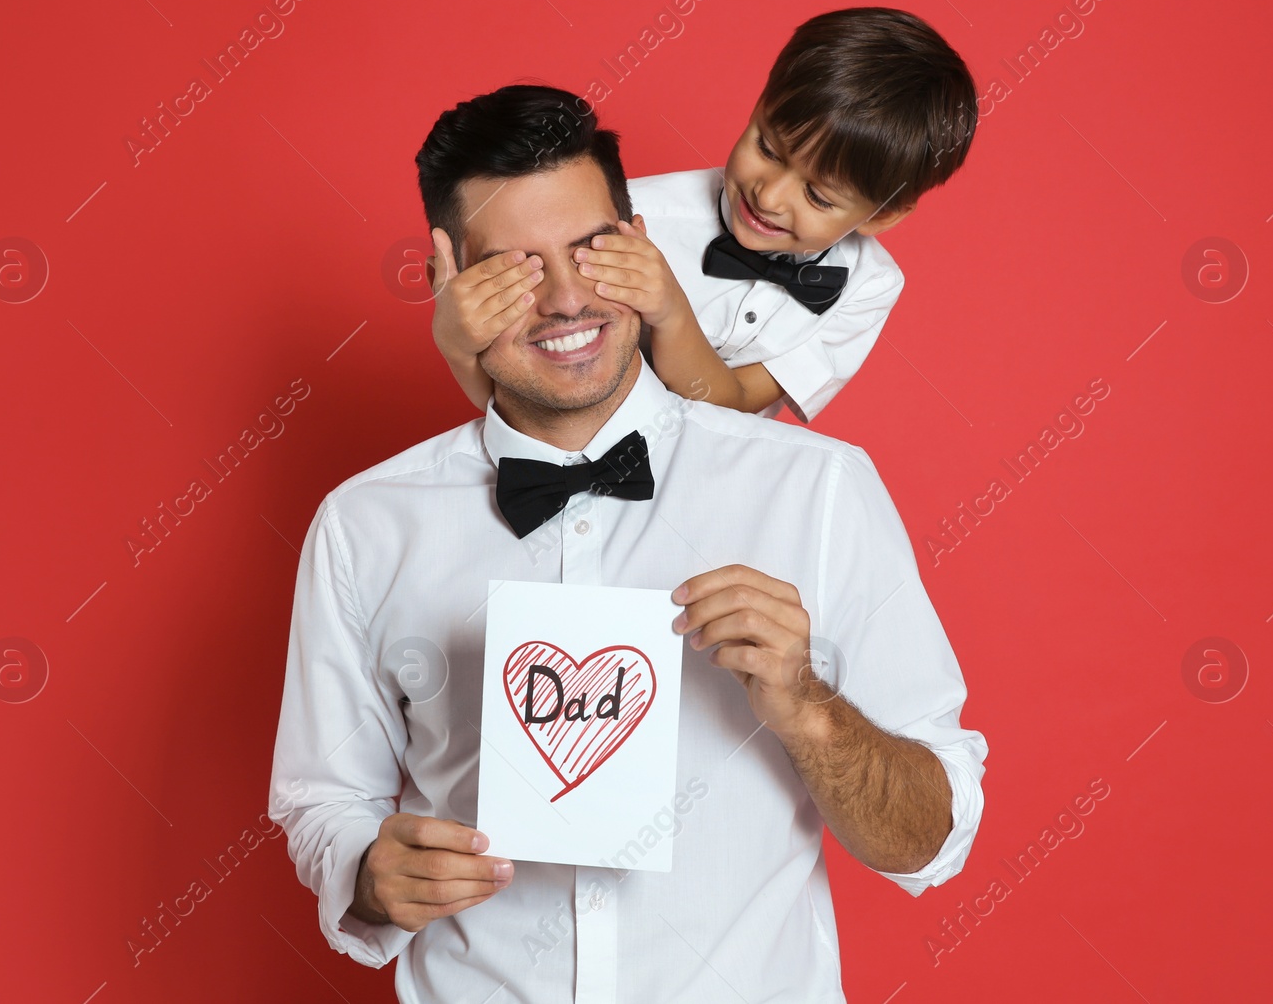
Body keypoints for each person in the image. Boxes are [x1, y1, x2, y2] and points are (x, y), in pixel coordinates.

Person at [268, 84, 986, 1003]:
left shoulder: (817, 492)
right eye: (516, 267)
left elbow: (934, 837)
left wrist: (809, 707)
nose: (567, 299)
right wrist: (369, 873)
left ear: (641, 237)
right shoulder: (367, 525)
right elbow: (322, 799)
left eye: (591, 251)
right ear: (446, 271)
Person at [429, 8, 977, 423]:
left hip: (720, 488)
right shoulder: (623, 216)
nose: (769, 196)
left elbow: (733, 408)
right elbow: (527, 395)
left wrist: (670, 310)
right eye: (768, 148)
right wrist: (455, 340)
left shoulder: (869, 287)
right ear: (757, 103)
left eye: (819, 197)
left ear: (883, 216)